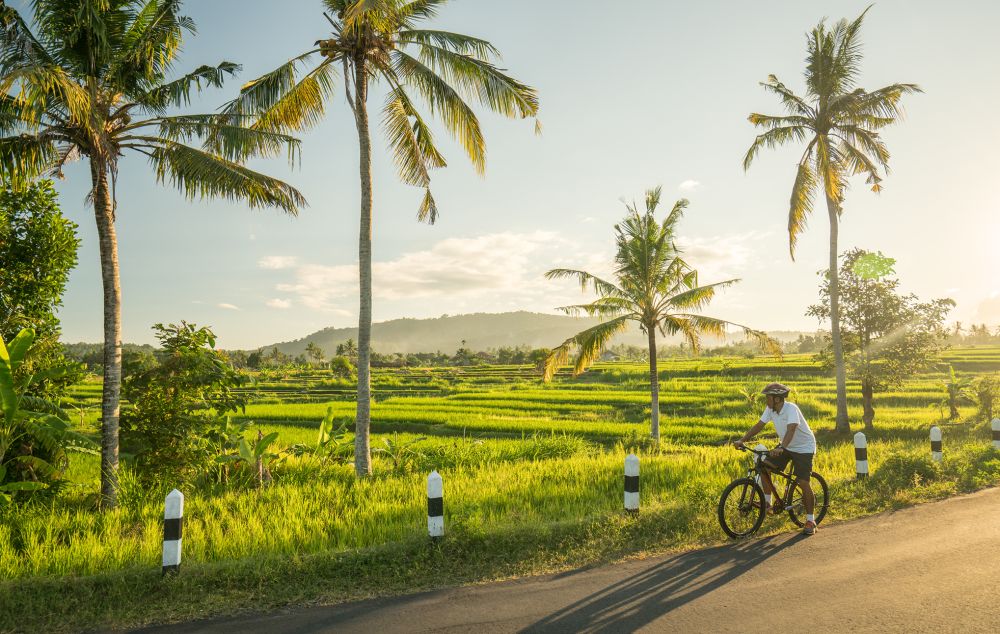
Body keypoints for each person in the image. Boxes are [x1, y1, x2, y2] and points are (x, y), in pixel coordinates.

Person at [734, 382, 818, 535]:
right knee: (765, 467)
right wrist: (742, 440)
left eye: (768, 397)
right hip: (787, 446)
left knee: (803, 482)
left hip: (803, 448)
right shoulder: (771, 409)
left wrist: (781, 448)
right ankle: (768, 503)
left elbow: (791, 429)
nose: (766, 400)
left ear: (777, 399)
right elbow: (759, 426)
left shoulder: (791, 409)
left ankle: (811, 520)